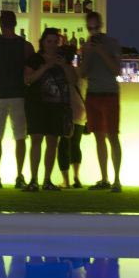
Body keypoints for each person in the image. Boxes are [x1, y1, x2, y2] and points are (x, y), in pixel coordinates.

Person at [0, 11, 33, 188]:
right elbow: (31, 72)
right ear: (15, 23)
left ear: (1, 24)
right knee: (20, 137)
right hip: (19, 95)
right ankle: (19, 176)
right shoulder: (25, 46)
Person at [23, 28, 77, 192]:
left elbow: (73, 80)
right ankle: (33, 179)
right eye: (49, 41)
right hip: (36, 104)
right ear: (43, 42)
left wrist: (64, 66)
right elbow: (27, 79)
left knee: (52, 142)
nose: (52, 45)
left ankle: (47, 180)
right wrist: (46, 67)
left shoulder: (62, 59)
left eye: (55, 41)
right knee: (36, 140)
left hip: (56, 106)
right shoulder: (35, 59)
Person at [79, 12, 121, 190]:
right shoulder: (86, 46)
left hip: (110, 93)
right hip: (92, 94)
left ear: (101, 25)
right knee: (99, 138)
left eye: (95, 27)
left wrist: (100, 51)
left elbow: (116, 70)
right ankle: (104, 179)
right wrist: (88, 52)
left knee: (113, 136)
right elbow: (82, 73)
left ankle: (116, 180)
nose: (93, 31)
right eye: (90, 28)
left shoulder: (112, 43)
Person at [57, 43, 86, 188]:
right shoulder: (79, 70)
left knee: (63, 145)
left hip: (66, 110)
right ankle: (76, 177)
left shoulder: (62, 70)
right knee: (75, 144)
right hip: (80, 110)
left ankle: (66, 180)